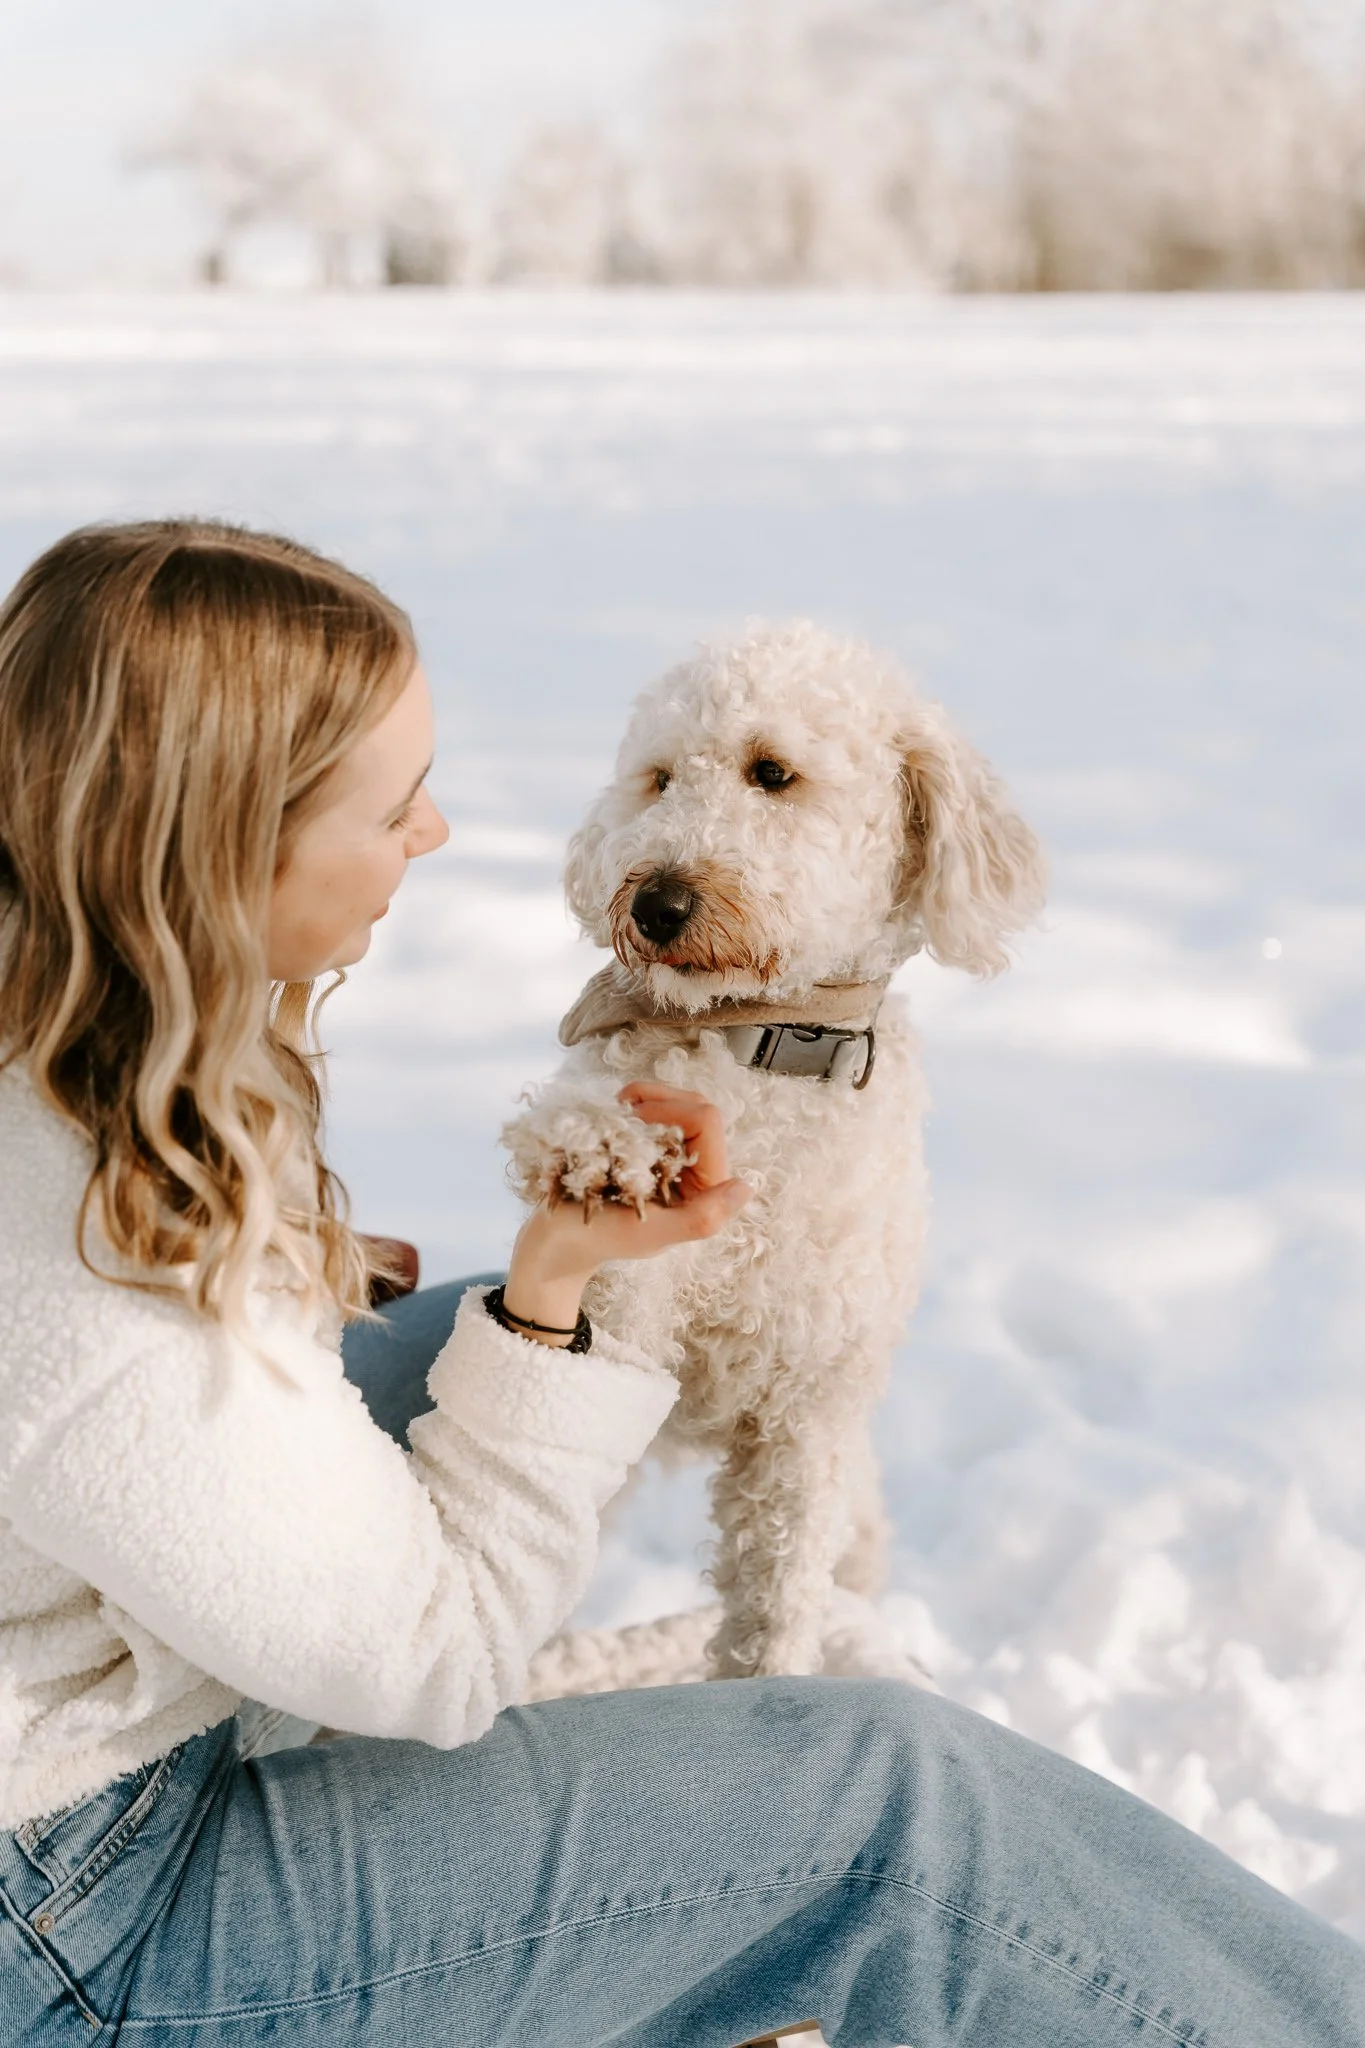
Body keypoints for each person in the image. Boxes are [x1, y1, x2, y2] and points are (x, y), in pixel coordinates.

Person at [0, 521, 1358, 2048]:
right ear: (221, 833)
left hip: (56, 1768)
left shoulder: (64, 1042)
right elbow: (436, 1659)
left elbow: (114, 1403)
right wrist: (550, 1299)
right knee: (893, 1806)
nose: (436, 835)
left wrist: (346, 1299)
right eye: (393, 805)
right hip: (84, 1926)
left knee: (431, 1340)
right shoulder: (82, 1250)